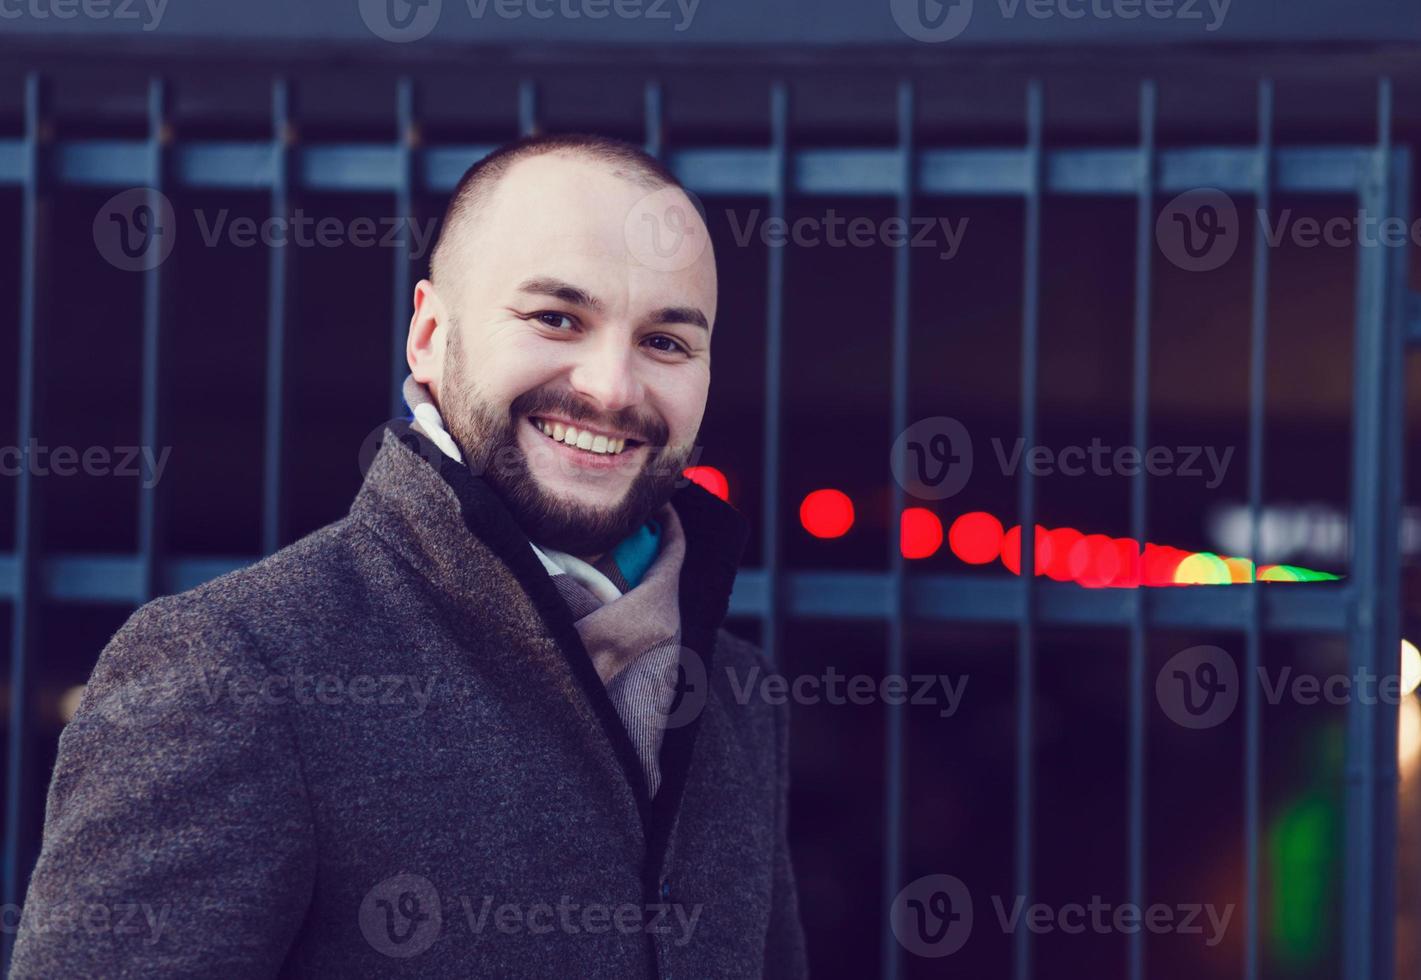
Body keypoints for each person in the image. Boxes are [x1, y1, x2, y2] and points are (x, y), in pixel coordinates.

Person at [11, 134, 808, 978]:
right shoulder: (229, 666)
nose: (611, 387)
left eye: (666, 342)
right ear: (429, 334)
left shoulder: (735, 693)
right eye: (554, 318)